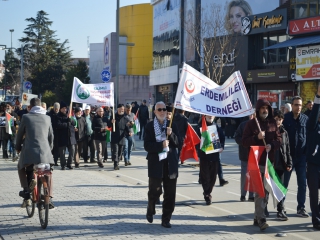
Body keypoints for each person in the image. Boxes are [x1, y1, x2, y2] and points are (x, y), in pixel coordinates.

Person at [242, 99, 281, 231]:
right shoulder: (252, 124)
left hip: (269, 162)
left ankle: (256, 216)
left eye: (267, 108)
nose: (265, 110)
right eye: (262, 108)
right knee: (260, 192)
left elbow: (279, 139)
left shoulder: (273, 123)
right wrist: (256, 138)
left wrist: (272, 145)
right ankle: (261, 218)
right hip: (256, 162)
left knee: (266, 191)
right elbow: (244, 141)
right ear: (258, 109)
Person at [144, 101, 180, 228]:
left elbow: (179, 143)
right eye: (159, 109)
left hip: (170, 164)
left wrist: (172, 135)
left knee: (170, 194)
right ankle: (151, 207)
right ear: (155, 112)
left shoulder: (172, 125)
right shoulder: (149, 127)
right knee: (155, 191)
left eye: (164, 109)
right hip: (156, 164)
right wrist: (161, 145)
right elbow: (147, 146)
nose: (162, 112)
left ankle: (166, 219)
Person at [15, 98, 54, 207]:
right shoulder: (47, 118)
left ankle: (26, 190)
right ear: (41, 106)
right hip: (44, 153)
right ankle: (49, 197)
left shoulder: (26, 117)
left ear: (30, 107)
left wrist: (17, 147)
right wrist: (49, 150)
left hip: (29, 153)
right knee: (47, 173)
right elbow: (51, 137)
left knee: (21, 167)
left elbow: (20, 134)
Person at [283, 96, 309, 218]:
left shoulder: (305, 119)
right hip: (288, 157)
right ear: (292, 105)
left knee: (302, 183)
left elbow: (308, 137)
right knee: (284, 183)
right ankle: (281, 208)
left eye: (300, 105)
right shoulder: (286, 119)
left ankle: (301, 208)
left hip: (302, 157)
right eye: (296, 105)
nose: (298, 107)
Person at [198, 115, 225, 205]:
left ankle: (208, 191)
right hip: (204, 156)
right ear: (204, 116)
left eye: (212, 115)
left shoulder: (217, 127)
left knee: (213, 177)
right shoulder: (200, 127)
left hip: (214, 156)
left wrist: (222, 147)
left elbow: (222, 139)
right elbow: (196, 141)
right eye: (208, 115)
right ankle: (207, 194)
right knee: (205, 176)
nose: (210, 116)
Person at [273, 109, 292, 221]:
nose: (278, 122)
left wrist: (289, 162)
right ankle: (263, 210)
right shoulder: (268, 131)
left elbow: (287, 149)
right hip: (270, 164)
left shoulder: (284, 132)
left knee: (280, 189)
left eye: (280, 119)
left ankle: (280, 210)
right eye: (276, 119)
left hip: (281, 164)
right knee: (268, 189)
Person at [306, 85, 320, 230]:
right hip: (313, 166)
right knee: (314, 194)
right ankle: (316, 220)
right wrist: (318, 98)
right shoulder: (312, 126)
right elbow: (314, 114)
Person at [234, 112, 255, 202]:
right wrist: (243, 142)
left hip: (254, 155)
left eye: (253, 114)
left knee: (253, 175)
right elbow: (236, 137)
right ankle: (243, 194)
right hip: (244, 154)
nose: (252, 116)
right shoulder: (243, 125)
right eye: (250, 114)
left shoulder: (258, 125)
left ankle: (251, 195)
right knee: (244, 175)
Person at [108, 104, 130, 170]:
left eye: (123, 110)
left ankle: (117, 162)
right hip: (115, 136)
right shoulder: (113, 116)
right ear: (117, 109)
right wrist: (111, 122)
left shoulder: (125, 118)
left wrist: (129, 132)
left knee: (120, 152)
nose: (122, 111)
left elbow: (127, 127)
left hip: (122, 137)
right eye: (120, 109)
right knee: (115, 151)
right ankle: (115, 164)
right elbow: (108, 125)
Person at [56, 101, 77, 170]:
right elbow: (58, 125)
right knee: (62, 152)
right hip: (62, 137)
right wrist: (67, 124)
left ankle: (69, 163)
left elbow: (74, 123)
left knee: (72, 150)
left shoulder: (69, 115)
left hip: (71, 137)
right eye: (63, 108)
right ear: (60, 109)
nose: (65, 109)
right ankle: (63, 165)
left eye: (65, 108)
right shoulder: (58, 116)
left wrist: (71, 120)